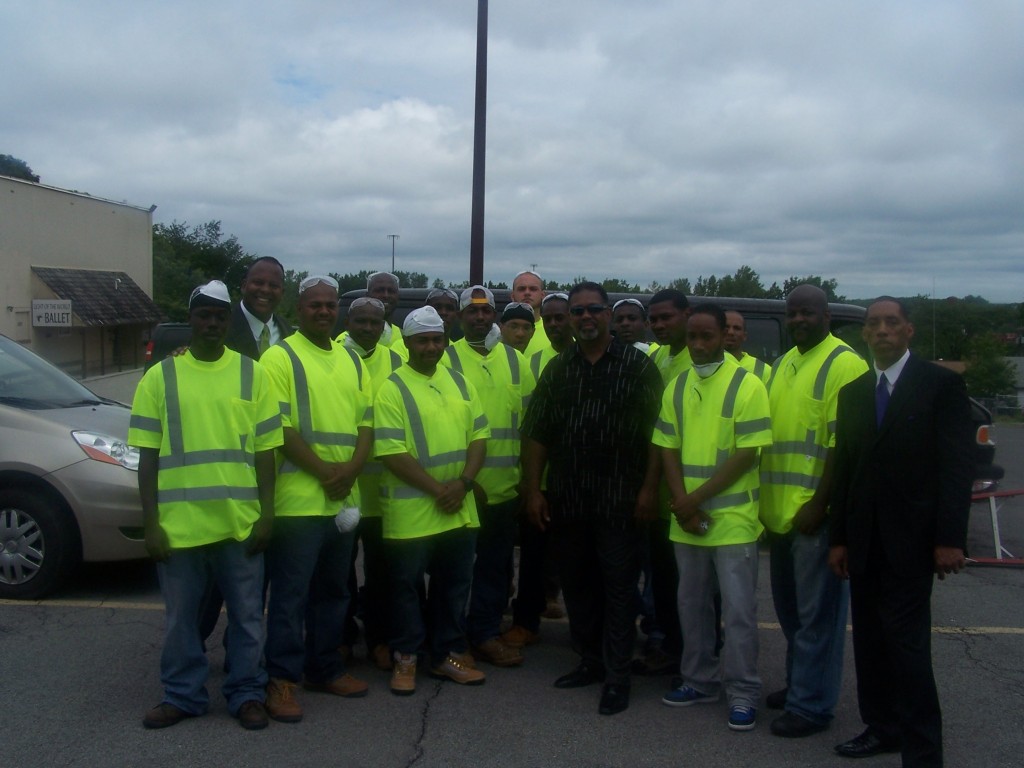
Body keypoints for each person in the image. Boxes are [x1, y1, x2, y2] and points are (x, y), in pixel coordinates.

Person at [129, 280, 282, 731]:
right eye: (204, 315)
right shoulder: (160, 377)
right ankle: (182, 695)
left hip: (239, 525)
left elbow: (266, 452)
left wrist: (268, 514)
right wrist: (151, 524)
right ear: (191, 319)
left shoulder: (252, 374)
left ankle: (247, 693)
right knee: (180, 623)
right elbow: (147, 456)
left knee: (249, 619)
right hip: (180, 528)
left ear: (227, 320)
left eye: (219, 315)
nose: (212, 322)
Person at [829, 297, 973, 766]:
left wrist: (950, 538)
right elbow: (845, 470)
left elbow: (955, 468)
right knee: (869, 642)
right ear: (865, 334)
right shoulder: (852, 392)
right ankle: (882, 728)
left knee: (908, 649)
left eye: (892, 323)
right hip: (864, 541)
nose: (882, 330)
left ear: (909, 330)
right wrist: (839, 538)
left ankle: (923, 750)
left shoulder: (941, 386)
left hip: (913, 541)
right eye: (874, 324)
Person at [521, 281, 663, 716]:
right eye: (578, 311)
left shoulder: (638, 368)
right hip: (570, 498)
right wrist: (533, 490)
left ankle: (617, 678)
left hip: (622, 501)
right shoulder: (559, 369)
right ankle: (591, 661)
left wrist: (648, 490)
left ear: (607, 314)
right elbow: (537, 434)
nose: (585, 318)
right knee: (579, 586)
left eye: (593, 310)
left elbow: (661, 437)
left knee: (618, 589)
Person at [259, 276, 373, 723]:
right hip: (299, 501)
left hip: (343, 500)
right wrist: (327, 472)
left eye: (330, 306)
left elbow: (367, 424)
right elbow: (279, 428)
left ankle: (324, 668)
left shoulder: (351, 359)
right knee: (290, 597)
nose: (324, 312)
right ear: (299, 308)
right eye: (315, 306)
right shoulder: (279, 357)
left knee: (333, 591)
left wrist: (351, 470)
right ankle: (281, 679)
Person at [654, 304, 772, 732]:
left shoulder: (748, 384)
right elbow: (666, 445)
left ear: (725, 335)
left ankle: (742, 691)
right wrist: (683, 503)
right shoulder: (678, 385)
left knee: (739, 611)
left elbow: (747, 453)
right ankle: (698, 679)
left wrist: (693, 498)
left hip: (733, 518)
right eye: (693, 337)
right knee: (691, 605)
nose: (699, 345)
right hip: (687, 520)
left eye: (708, 336)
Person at [759, 284, 868, 738]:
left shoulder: (846, 364)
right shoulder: (785, 363)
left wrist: (820, 504)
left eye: (807, 312)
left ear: (826, 316)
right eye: (792, 313)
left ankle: (812, 706)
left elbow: (843, 449)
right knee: (792, 614)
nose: (799, 319)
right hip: (780, 516)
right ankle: (799, 684)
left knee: (818, 618)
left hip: (813, 516)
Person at [374, 306, 488, 694]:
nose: (431, 347)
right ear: (407, 343)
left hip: (458, 508)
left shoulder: (460, 382)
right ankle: (405, 658)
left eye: (437, 339)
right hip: (411, 512)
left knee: (453, 587)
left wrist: (465, 482)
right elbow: (391, 452)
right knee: (405, 589)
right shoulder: (391, 387)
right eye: (422, 340)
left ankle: (446, 655)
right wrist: (440, 490)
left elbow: (479, 438)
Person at [443, 286, 536, 668]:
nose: (480, 318)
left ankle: (484, 633)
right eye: (472, 312)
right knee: (454, 573)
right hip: (461, 490)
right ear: (461, 317)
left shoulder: (516, 362)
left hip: (503, 492)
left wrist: (527, 485)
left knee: (495, 571)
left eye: (486, 312)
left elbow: (530, 430)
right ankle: (450, 641)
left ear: (494, 316)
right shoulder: (445, 359)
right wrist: (465, 479)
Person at [504, 292, 574, 648]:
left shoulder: (593, 358)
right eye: (551, 319)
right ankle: (525, 622)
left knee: (581, 559)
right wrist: (530, 485)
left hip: (584, 481)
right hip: (544, 479)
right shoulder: (535, 362)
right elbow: (531, 428)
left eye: (564, 317)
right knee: (533, 556)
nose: (557, 324)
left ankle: (588, 627)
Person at [340, 297, 405, 671]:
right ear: (348, 321)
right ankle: (343, 637)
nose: (367, 328)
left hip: (383, 493)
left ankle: (380, 638)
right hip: (342, 490)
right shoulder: (333, 356)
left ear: (385, 324)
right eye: (360, 321)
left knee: (383, 575)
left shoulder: (397, 360)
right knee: (340, 575)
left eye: (374, 322)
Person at [636, 288, 693, 675]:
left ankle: (688, 655)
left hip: (687, 491)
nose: (659, 325)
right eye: (653, 319)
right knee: (665, 578)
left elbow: (668, 436)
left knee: (689, 584)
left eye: (666, 317)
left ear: (687, 315)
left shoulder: (696, 360)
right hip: (662, 492)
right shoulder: (659, 358)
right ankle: (672, 648)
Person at [225, 256, 293, 360]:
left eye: (273, 285)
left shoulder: (288, 332)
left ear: (282, 293)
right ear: (244, 286)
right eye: (258, 283)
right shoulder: (222, 327)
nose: (265, 290)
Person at [724, 310, 771, 385]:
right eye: (726, 327)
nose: (731, 332)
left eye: (737, 328)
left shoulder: (764, 370)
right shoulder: (704, 367)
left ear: (744, 336)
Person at [512, 269, 550, 357]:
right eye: (521, 289)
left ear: (542, 295)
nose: (527, 293)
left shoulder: (554, 331)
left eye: (533, 289)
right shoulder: (500, 333)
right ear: (512, 296)